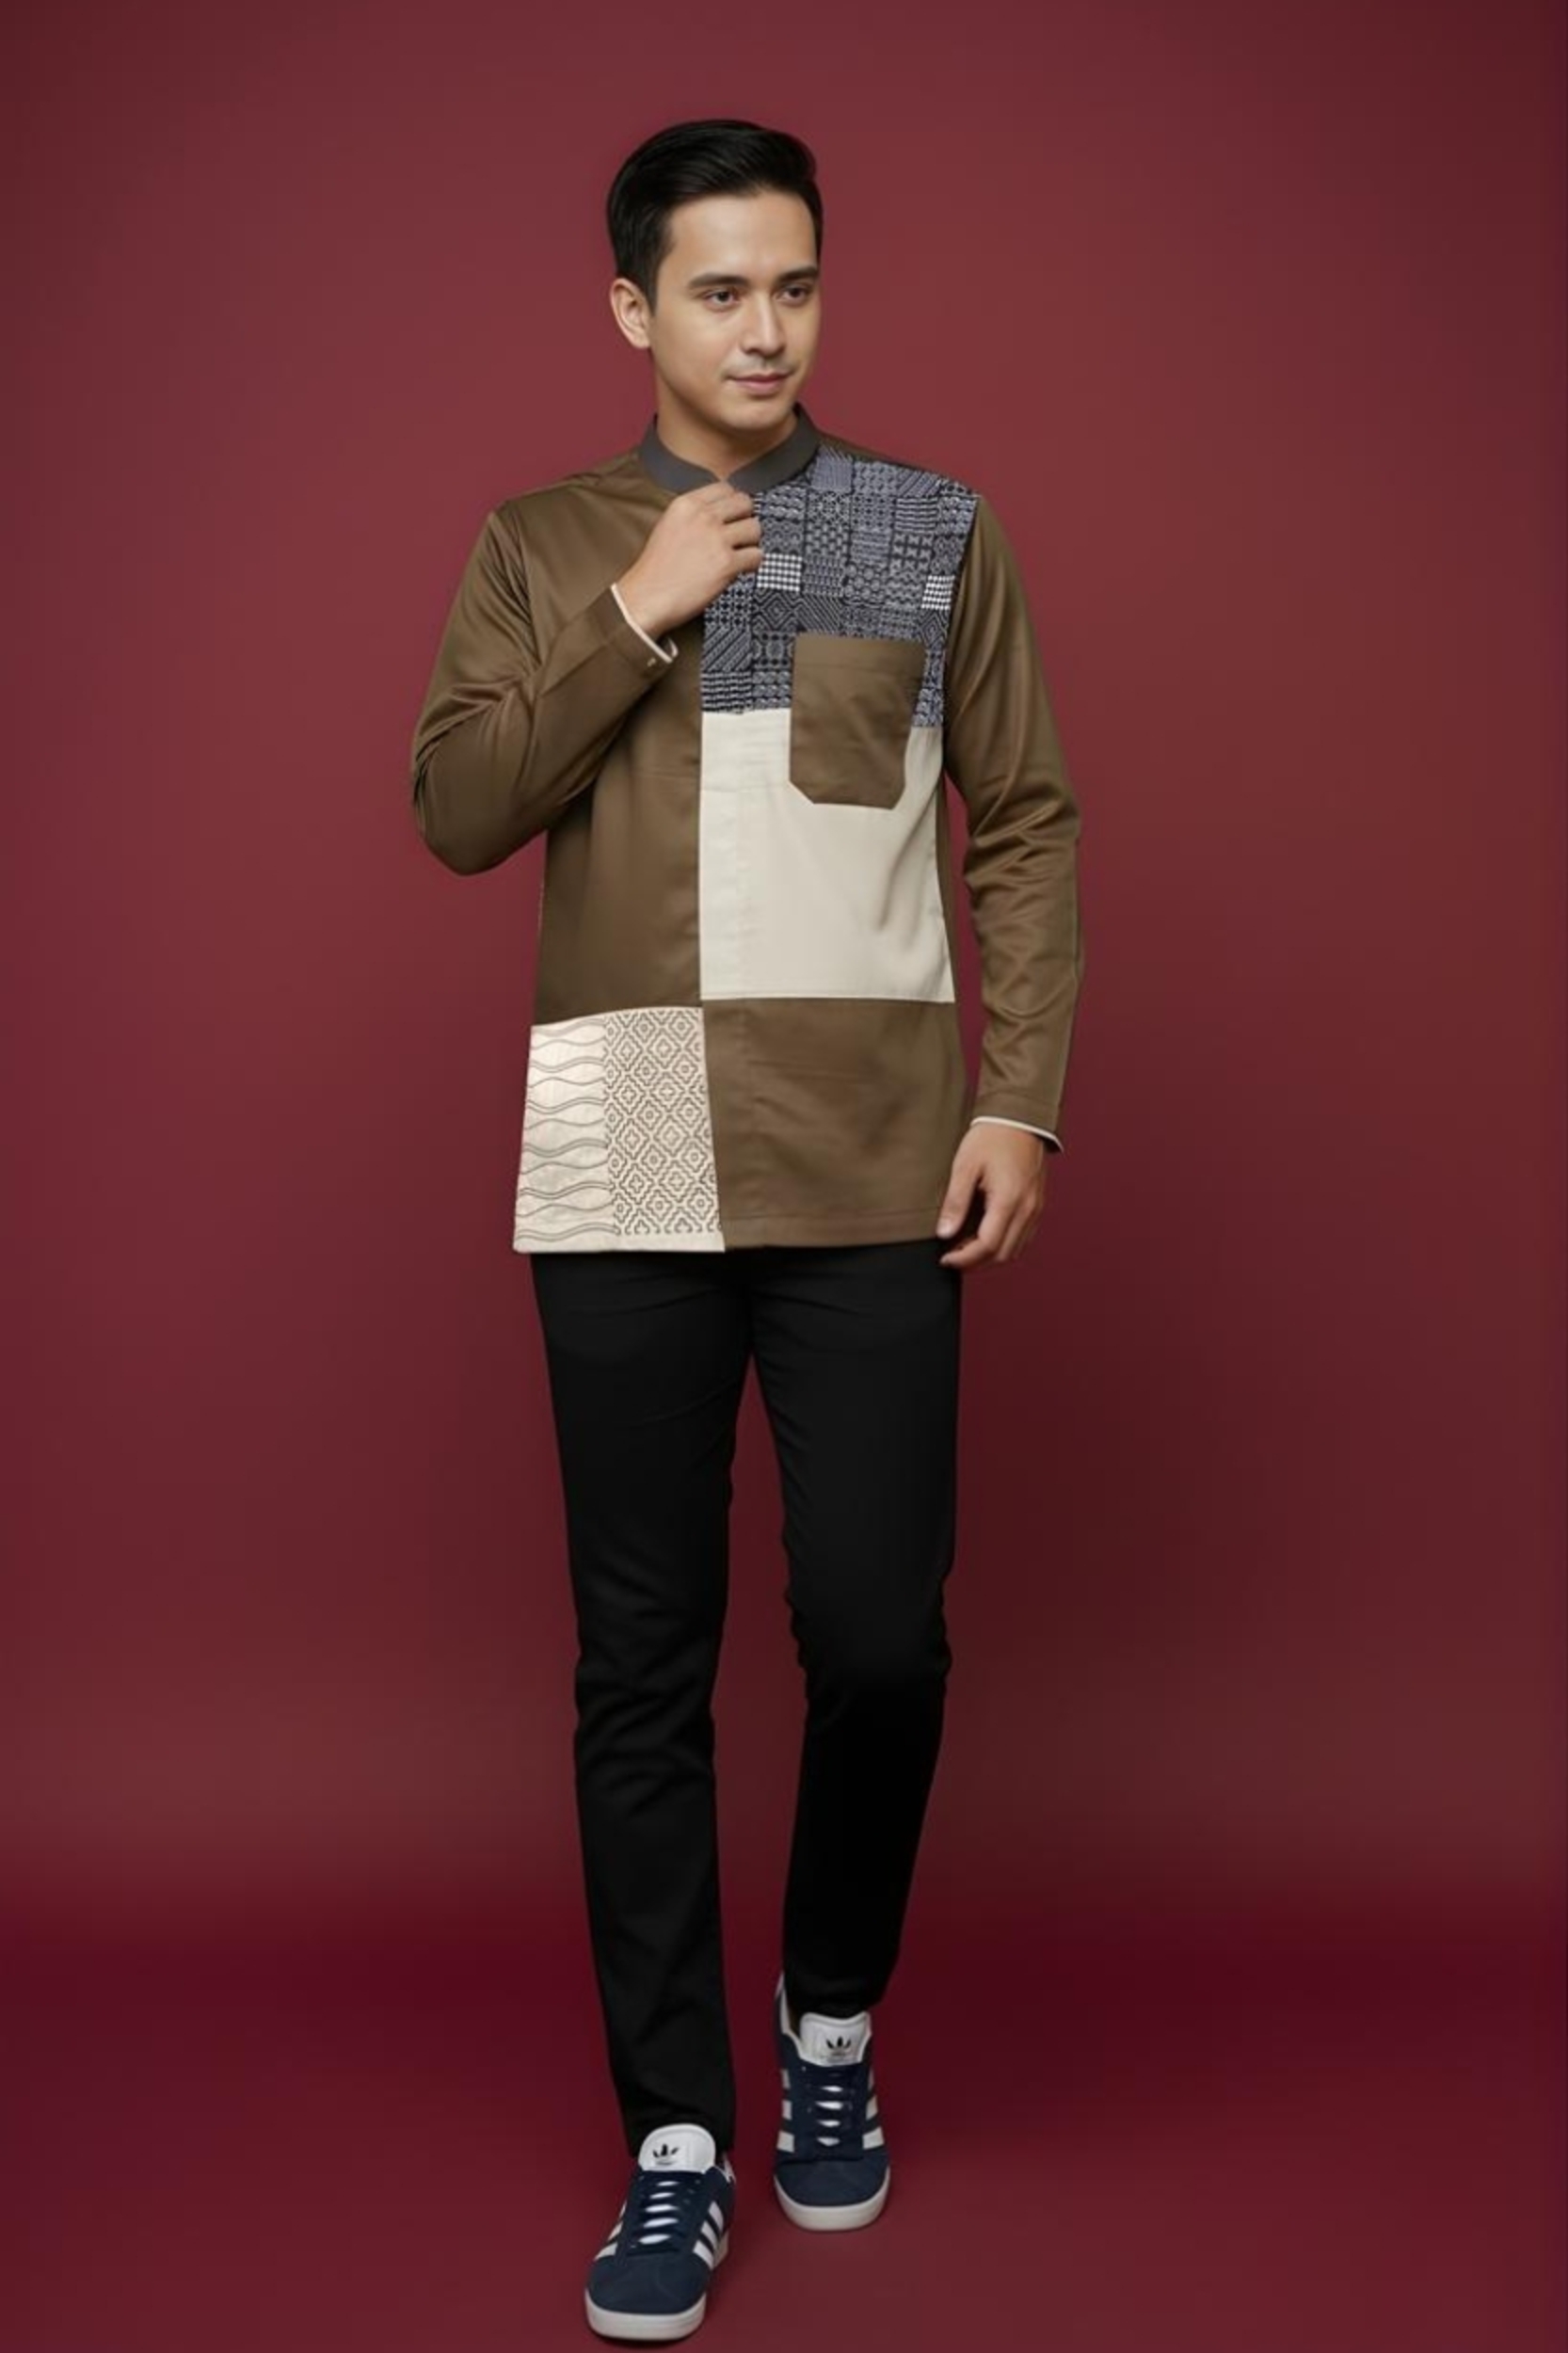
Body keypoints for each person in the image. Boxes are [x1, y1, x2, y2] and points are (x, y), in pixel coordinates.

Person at [408, 115, 1084, 2345]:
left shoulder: (927, 529)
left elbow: (1022, 819)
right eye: (716, 288)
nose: (762, 326)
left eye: (790, 282)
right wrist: (635, 608)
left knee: (879, 1635)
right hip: (619, 1136)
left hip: (871, 1149)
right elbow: (456, 808)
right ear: (633, 307)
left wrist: (1016, 1096)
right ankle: (678, 2133)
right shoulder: (539, 544)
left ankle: (828, 2017)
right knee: (642, 1657)